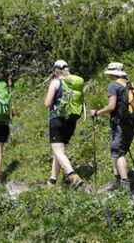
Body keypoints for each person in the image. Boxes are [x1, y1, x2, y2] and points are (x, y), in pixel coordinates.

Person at [90, 62, 134, 193]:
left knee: (118, 153)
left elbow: (111, 106)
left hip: (119, 123)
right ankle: (117, 180)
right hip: (131, 123)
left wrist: (97, 113)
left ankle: (125, 185)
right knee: (118, 151)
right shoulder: (129, 84)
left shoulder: (113, 85)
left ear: (113, 74)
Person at [44, 60, 84, 189]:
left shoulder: (55, 82)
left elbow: (47, 103)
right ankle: (52, 181)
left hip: (57, 120)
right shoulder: (73, 84)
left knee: (58, 151)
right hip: (71, 121)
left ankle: (73, 175)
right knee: (59, 151)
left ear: (56, 70)